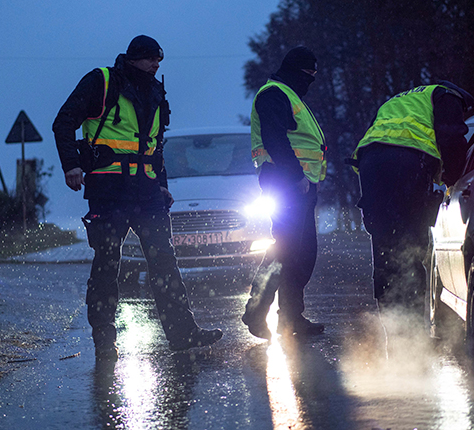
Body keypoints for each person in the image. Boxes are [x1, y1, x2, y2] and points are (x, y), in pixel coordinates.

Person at [52, 35, 223, 359]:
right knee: (107, 264)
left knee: (165, 262)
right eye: (150, 60)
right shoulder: (101, 82)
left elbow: (155, 145)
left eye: (159, 60)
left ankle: (183, 333)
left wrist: (162, 183)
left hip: (147, 192)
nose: (156, 65)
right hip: (108, 189)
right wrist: (71, 165)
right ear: (132, 58)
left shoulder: (156, 92)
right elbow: (63, 122)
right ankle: (104, 339)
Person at [350, 81, 474, 313]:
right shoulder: (448, 96)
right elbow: (453, 139)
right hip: (406, 161)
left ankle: (390, 317)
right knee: (411, 240)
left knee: (384, 241)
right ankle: (412, 320)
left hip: (370, 162)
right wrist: (453, 178)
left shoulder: (400, 100)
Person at [241, 46, 327, 339]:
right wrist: (295, 176)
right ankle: (258, 312)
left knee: (301, 252)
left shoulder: (289, 95)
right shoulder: (274, 94)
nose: (310, 81)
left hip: (299, 183)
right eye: (307, 75)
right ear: (295, 71)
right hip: (286, 181)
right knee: (286, 250)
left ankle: (291, 318)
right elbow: (274, 138)